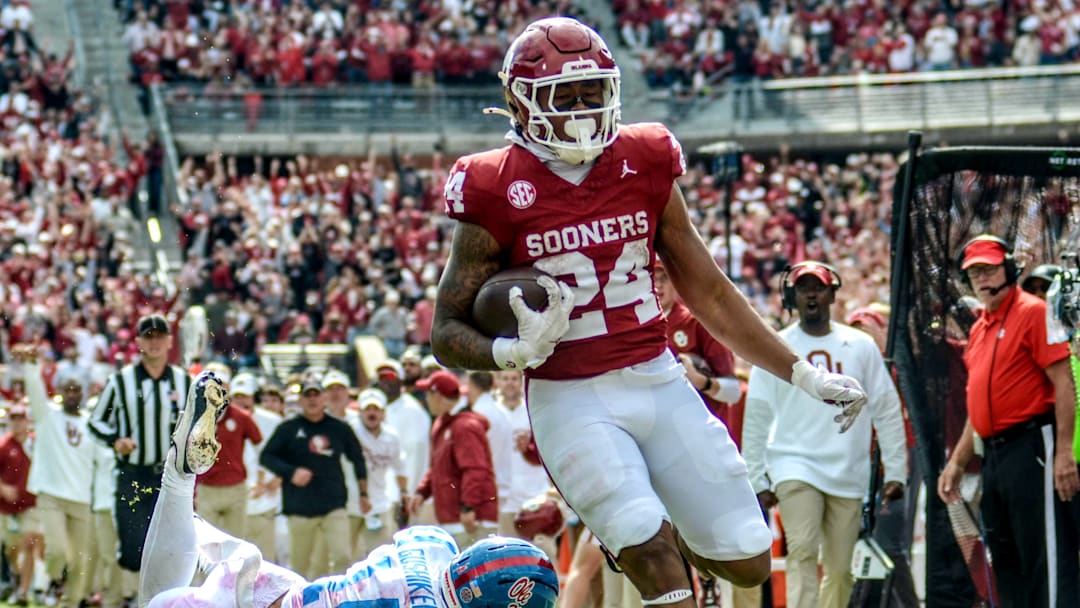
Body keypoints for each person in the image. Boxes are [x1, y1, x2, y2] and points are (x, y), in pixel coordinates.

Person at [430, 15, 868, 606]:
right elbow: (446, 330)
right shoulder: (492, 182)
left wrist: (802, 374)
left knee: (747, 558)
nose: (583, 108)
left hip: (657, 377)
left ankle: (651, 515)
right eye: (565, 95)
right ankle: (632, 529)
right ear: (520, 100)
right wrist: (512, 351)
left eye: (593, 92)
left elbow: (709, 292)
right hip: (570, 394)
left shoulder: (645, 156)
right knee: (644, 540)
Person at [139, 371, 561, 608]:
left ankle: (185, 501)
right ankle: (180, 479)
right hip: (262, 602)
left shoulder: (432, 542)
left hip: (280, 588)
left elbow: (417, 545)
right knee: (155, 602)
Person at [742, 262, 908, 608]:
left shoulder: (860, 345)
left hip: (849, 470)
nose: (811, 295)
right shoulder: (774, 346)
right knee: (802, 548)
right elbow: (757, 412)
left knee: (841, 567)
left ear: (833, 293)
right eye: (803, 288)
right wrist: (757, 477)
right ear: (792, 295)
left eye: (818, 287)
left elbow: (886, 407)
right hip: (793, 465)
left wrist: (895, 471)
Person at [938, 235, 1080, 606]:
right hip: (994, 457)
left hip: (1032, 447)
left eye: (989, 269)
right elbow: (979, 406)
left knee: (1044, 558)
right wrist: (956, 461)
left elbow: (1064, 382)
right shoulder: (978, 329)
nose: (982, 280)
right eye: (974, 274)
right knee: (1006, 561)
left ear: (1010, 269)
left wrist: (1064, 452)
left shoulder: (1034, 312)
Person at [88, 313, 192, 574]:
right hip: (132, 475)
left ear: (170, 341)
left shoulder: (184, 381)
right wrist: (115, 440)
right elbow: (95, 421)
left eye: (160, 337)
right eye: (149, 337)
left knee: (171, 550)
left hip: (171, 477)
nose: (154, 342)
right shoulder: (121, 381)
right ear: (138, 342)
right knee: (134, 551)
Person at [259, 379, 369, 580]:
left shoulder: (339, 428)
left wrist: (363, 493)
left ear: (324, 397)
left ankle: (339, 600)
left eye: (316, 395)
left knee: (342, 557)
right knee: (301, 567)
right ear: (300, 400)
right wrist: (291, 472)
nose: (312, 400)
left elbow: (357, 458)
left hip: (334, 505)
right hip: (300, 508)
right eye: (307, 396)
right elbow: (266, 456)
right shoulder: (289, 428)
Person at [19, 346, 95, 608]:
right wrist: (31, 364)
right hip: (52, 494)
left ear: (83, 393)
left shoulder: (91, 424)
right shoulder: (47, 416)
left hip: (82, 498)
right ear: (60, 392)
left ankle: (70, 602)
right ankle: (51, 580)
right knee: (58, 551)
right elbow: (34, 390)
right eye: (68, 389)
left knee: (80, 561)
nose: (73, 393)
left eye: (77, 389)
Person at [406, 370, 498, 549]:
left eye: (428, 393)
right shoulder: (443, 423)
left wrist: (468, 507)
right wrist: (421, 492)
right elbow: (438, 466)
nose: (425, 398)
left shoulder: (464, 426)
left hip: (469, 519)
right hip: (453, 517)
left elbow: (475, 469)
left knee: (471, 574)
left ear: (438, 395)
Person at [195, 374, 263, 537]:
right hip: (207, 486)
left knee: (236, 541)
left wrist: (261, 479)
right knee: (207, 541)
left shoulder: (241, 417)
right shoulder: (197, 416)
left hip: (235, 487)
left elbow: (261, 447)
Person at [350, 387, 408, 555]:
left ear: (383, 413)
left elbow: (400, 466)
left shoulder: (391, 436)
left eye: (376, 409)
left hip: (379, 504)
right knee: (346, 558)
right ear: (360, 412)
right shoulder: (350, 432)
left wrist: (404, 492)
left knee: (381, 555)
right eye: (367, 409)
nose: (372, 413)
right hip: (350, 505)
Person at [0, 403, 41, 605]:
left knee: (29, 543)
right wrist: (3, 488)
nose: (17, 423)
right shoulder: (4, 446)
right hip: (7, 508)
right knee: (11, 550)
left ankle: (24, 591)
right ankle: (16, 578)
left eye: (21, 418)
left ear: (28, 421)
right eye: (14, 419)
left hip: (31, 504)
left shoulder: (35, 444)